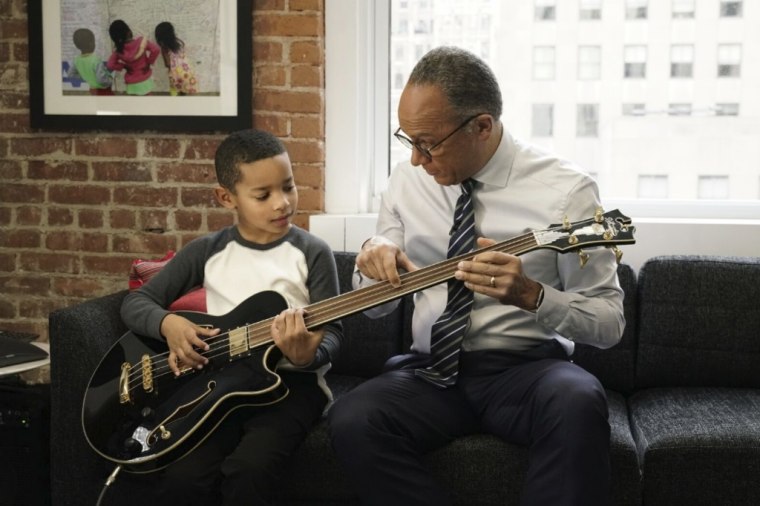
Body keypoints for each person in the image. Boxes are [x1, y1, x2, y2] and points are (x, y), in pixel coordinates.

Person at [327, 46, 625, 506]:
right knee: (351, 417)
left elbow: (609, 323)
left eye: (427, 144)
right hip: (430, 373)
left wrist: (532, 295)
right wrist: (371, 259)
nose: (416, 160)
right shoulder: (406, 183)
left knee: (578, 399)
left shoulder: (567, 192)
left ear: (482, 126)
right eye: (409, 141)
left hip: (526, 372)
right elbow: (378, 305)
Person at [120, 129, 343, 505]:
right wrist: (168, 324)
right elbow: (136, 304)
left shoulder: (313, 252)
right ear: (226, 197)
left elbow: (335, 330)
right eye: (263, 195)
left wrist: (309, 354)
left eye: (288, 187)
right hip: (218, 386)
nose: (282, 203)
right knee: (183, 477)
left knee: (250, 470)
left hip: (292, 389)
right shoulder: (207, 251)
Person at [106, 19, 160, 95]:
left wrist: (123, 66)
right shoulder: (141, 42)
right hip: (145, 78)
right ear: (128, 31)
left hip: (131, 83)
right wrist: (149, 62)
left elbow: (110, 64)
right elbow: (156, 50)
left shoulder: (119, 51)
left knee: (135, 105)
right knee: (149, 103)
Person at [154, 21, 198, 96]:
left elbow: (167, 64)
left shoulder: (164, 47)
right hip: (187, 71)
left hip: (175, 74)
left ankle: (174, 104)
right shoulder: (180, 42)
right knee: (184, 89)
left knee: (174, 90)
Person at [68, 28, 113, 95]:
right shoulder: (96, 60)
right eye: (94, 41)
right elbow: (101, 80)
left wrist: (85, 76)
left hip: (92, 90)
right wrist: (110, 81)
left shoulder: (76, 60)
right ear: (91, 43)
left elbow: (70, 74)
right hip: (104, 91)